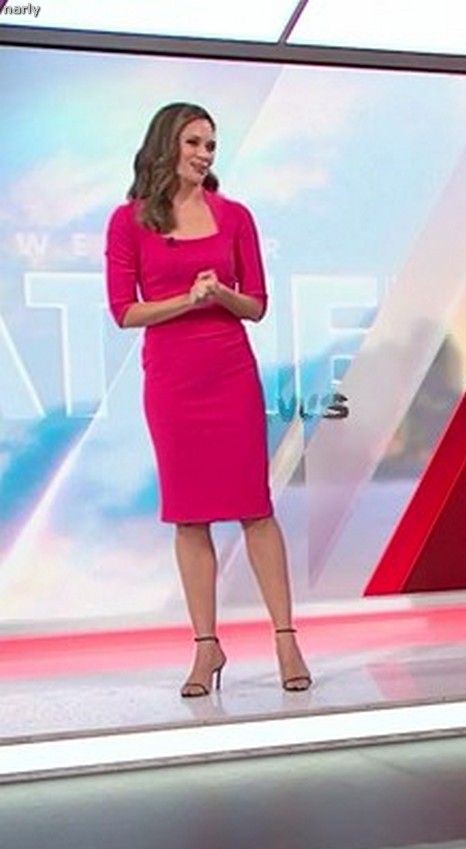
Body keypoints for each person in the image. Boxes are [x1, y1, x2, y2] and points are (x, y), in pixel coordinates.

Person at [105, 102, 312, 696]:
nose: (204, 154)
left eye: (210, 145)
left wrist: (220, 294)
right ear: (167, 144)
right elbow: (124, 312)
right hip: (172, 380)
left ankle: (286, 639)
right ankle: (206, 647)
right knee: (189, 513)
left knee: (254, 506)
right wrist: (186, 301)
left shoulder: (235, 216)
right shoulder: (128, 222)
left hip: (229, 372)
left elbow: (257, 305)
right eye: (194, 142)